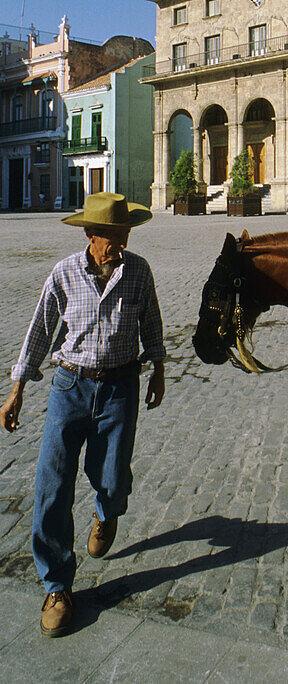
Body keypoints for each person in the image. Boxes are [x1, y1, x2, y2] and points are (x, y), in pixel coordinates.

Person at [0, 192, 165, 638]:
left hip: (120, 388)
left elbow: (150, 321)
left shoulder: (138, 272)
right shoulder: (64, 274)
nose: (121, 241)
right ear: (90, 235)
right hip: (69, 387)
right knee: (51, 485)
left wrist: (159, 370)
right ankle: (57, 586)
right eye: (112, 234)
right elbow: (39, 330)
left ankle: (106, 512)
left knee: (112, 479)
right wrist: (16, 389)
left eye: (125, 232)